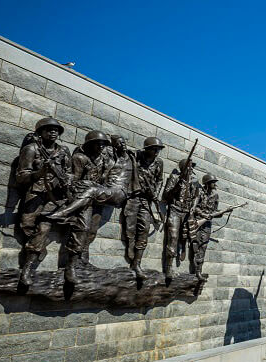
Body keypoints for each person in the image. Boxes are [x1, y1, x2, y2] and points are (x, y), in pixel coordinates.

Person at [15, 117, 72, 285]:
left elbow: (69, 172)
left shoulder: (63, 151)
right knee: (27, 226)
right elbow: (21, 177)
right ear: (40, 132)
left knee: (43, 229)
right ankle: (39, 247)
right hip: (36, 193)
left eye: (56, 130)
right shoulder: (31, 149)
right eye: (49, 129)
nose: (53, 132)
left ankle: (27, 269)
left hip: (55, 196)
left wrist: (67, 180)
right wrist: (39, 173)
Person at [50, 130, 110, 283]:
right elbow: (74, 181)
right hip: (82, 200)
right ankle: (71, 266)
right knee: (81, 229)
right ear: (90, 144)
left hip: (97, 200)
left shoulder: (103, 159)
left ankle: (83, 262)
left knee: (91, 232)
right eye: (98, 144)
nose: (101, 147)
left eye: (103, 144)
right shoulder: (79, 158)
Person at [123, 136, 164, 280]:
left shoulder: (159, 163)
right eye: (154, 149)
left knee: (144, 229)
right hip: (133, 196)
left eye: (158, 149)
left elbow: (160, 180)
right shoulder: (136, 156)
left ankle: (137, 263)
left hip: (147, 200)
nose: (156, 152)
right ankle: (130, 248)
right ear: (147, 149)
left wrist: (155, 194)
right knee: (130, 227)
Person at [161, 156, 198, 282]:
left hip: (187, 213)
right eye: (189, 167)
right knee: (173, 237)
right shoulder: (175, 178)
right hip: (175, 210)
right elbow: (166, 196)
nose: (191, 170)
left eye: (192, 168)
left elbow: (196, 196)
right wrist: (177, 185)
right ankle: (169, 268)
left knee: (187, 237)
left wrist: (193, 206)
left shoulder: (193, 182)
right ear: (183, 168)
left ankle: (183, 252)